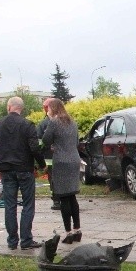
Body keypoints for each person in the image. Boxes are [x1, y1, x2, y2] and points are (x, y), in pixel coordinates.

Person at [0, 96, 47, 250]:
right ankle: (26, 240)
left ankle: (12, 241)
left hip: (6, 169)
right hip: (24, 168)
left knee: (10, 205)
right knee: (28, 204)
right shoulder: (27, 125)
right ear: (22, 108)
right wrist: (41, 165)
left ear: (9, 107)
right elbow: (34, 148)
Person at [41, 98, 83, 244]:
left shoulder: (53, 122)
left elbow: (45, 140)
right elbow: (76, 142)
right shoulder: (72, 121)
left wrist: (54, 146)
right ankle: (78, 229)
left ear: (52, 108)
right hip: (74, 160)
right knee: (72, 196)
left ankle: (68, 232)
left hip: (61, 161)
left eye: (48, 109)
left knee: (63, 197)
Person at [37, 98, 59, 210]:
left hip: (50, 157)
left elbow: (39, 142)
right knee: (58, 179)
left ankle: (57, 200)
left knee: (53, 179)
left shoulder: (44, 124)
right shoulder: (67, 121)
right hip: (59, 158)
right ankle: (59, 200)